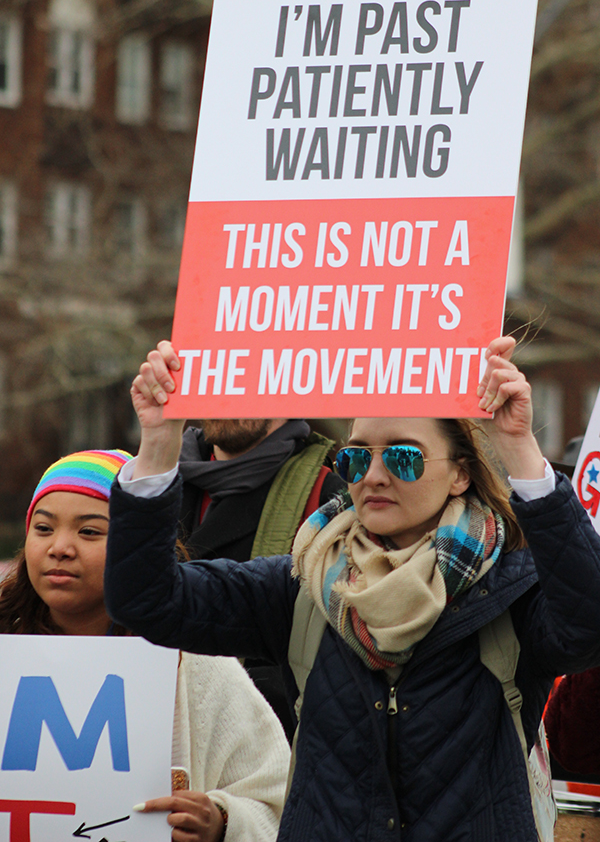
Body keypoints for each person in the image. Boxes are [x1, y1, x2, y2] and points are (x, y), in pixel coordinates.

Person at [104, 336, 600, 842]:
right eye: (357, 458)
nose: (375, 476)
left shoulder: (510, 590)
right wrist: (159, 445)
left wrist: (519, 449)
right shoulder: (301, 584)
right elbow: (147, 600)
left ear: (459, 475)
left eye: (404, 458)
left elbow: (587, 629)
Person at [0, 448, 289, 842]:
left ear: (136, 553)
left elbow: (279, 801)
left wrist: (222, 821)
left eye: (89, 531)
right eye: (44, 528)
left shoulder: (197, 664)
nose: (60, 547)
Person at [148, 356, 345, 738]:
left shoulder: (328, 496)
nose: (228, 390)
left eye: (249, 373)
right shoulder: (153, 483)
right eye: (217, 373)